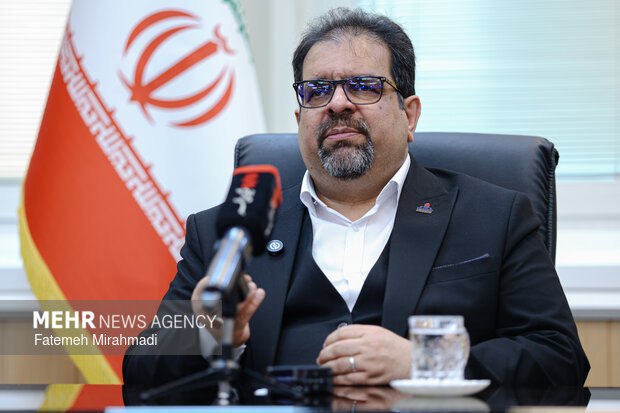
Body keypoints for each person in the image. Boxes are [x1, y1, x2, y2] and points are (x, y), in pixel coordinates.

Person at [123, 7, 589, 388]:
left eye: (364, 86)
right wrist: (208, 336)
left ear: (409, 115)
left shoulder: (494, 216)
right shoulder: (225, 234)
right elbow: (140, 375)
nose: (338, 103)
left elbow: (560, 359)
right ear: (300, 118)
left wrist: (425, 361)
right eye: (317, 90)